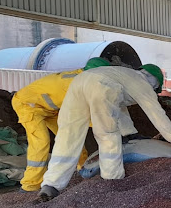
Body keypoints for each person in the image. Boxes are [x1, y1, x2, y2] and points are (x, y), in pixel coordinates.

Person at [38, 64, 171, 200]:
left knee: (68, 135)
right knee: (107, 134)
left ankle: (51, 185)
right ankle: (112, 181)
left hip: (78, 83)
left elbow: (119, 106)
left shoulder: (124, 75)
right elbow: (156, 113)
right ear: (155, 83)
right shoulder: (142, 84)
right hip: (101, 86)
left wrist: (129, 133)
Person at [12, 57, 113, 192]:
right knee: (41, 143)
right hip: (28, 105)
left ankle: (82, 168)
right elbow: (84, 114)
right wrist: (108, 128)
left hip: (50, 109)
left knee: (72, 136)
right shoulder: (76, 85)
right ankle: (30, 185)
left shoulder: (81, 77)